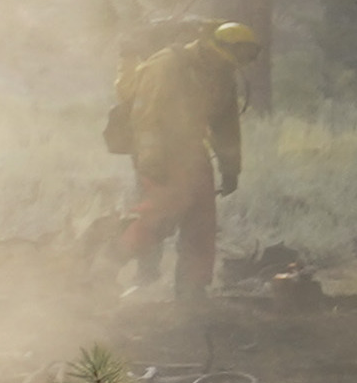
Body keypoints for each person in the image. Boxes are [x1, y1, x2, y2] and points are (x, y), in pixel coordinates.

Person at [111, 20, 264, 300]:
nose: (235, 64)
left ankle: (192, 288)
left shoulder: (222, 73)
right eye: (236, 55)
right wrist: (151, 159)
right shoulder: (168, 65)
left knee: (202, 222)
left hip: (192, 150)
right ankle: (112, 265)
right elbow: (145, 115)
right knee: (159, 216)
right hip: (160, 150)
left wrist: (231, 168)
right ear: (217, 47)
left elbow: (226, 125)